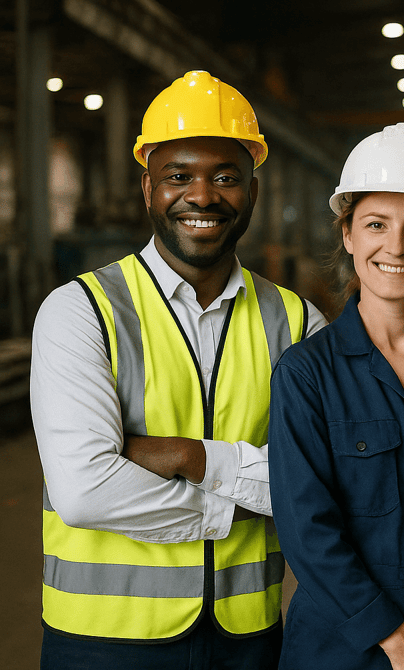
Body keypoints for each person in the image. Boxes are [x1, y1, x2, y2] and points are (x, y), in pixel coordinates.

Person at [30, 70, 326, 669]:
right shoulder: (80, 311)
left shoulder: (297, 322)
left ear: (253, 192)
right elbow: (85, 492)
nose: (203, 195)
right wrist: (243, 499)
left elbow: (329, 478)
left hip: (247, 639)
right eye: (178, 176)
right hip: (102, 640)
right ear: (147, 189)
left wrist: (189, 459)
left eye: (225, 177)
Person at [267, 122, 404, 670]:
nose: (395, 247)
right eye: (375, 224)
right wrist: (397, 641)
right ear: (348, 235)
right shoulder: (306, 374)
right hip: (340, 651)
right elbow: (307, 529)